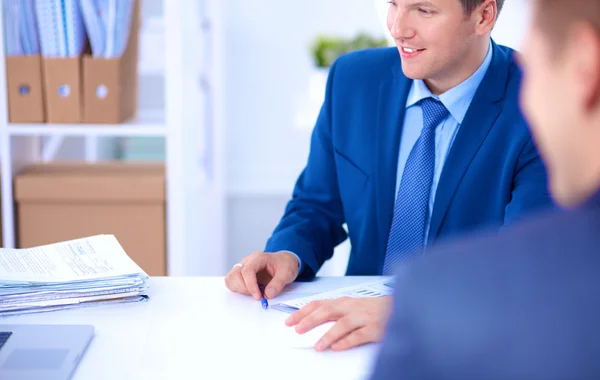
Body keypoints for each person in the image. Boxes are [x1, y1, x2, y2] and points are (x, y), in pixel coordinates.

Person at [225, 0, 553, 351]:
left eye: (423, 11)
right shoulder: (352, 81)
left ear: (483, 16)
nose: (397, 27)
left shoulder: (542, 99)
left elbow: (526, 265)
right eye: (394, 3)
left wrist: (408, 311)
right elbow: (316, 206)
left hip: (468, 343)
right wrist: (287, 255)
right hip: (350, 335)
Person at [366, 0, 600, 380]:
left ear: (584, 64)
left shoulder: (449, 298)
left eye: (535, 66)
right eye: (392, 4)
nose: (398, 27)